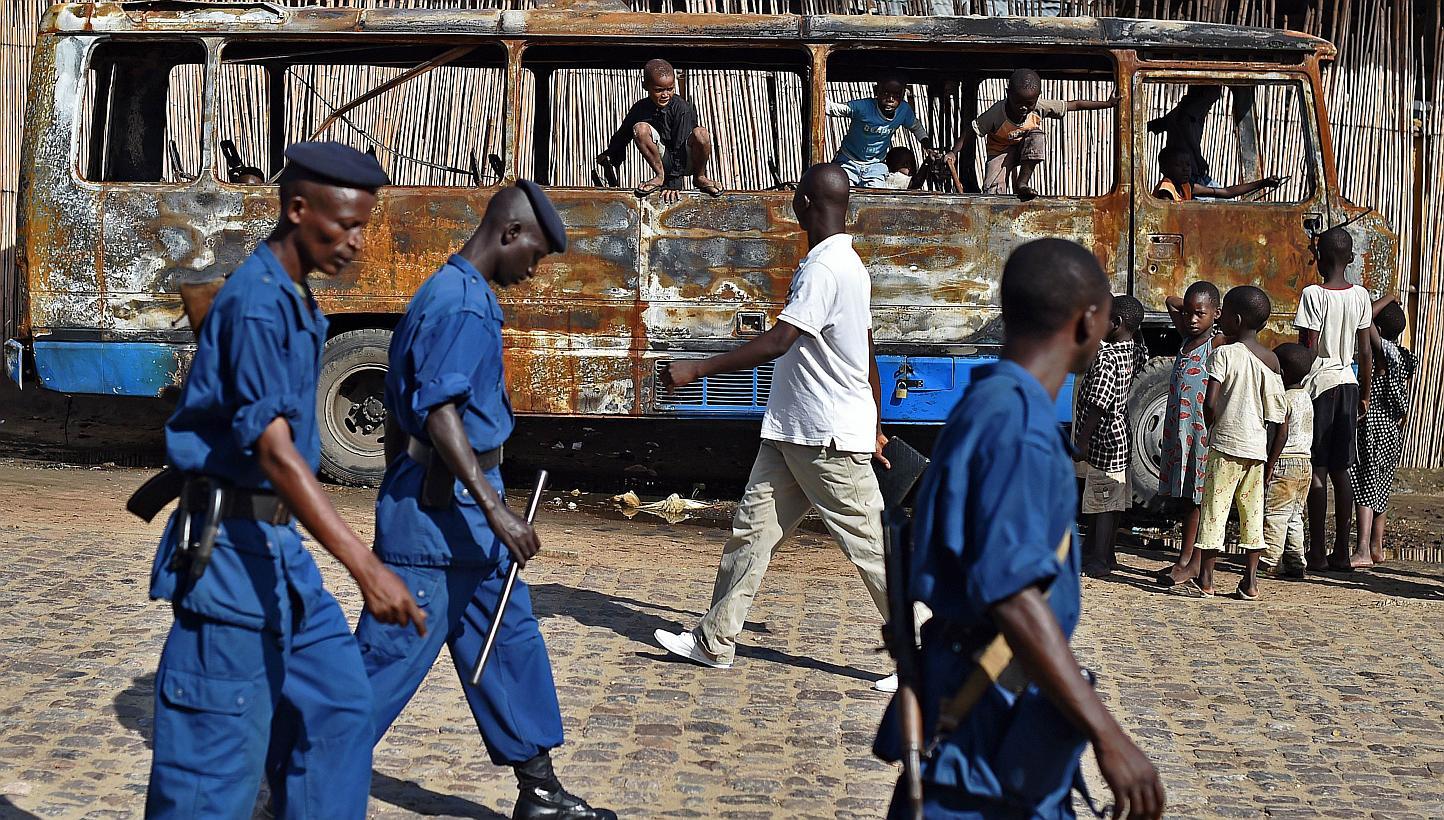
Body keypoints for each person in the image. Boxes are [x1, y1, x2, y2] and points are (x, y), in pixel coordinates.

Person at [145, 142, 427, 817]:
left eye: (365, 225)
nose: (357, 243)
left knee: (340, 708)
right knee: (210, 779)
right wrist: (365, 566)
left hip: (280, 557)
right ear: (298, 209)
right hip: (229, 563)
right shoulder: (259, 303)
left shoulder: (294, 301)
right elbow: (275, 452)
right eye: (345, 225)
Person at [874, 238, 1164, 819]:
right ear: (1089, 321)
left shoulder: (989, 402)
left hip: (992, 713)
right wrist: (1109, 736)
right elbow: (1011, 595)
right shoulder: (1020, 427)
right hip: (984, 732)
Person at [354, 181, 614, 820]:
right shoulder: (462, 307)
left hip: (461, 514)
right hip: (442, 526)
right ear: (508, 234)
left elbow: (404, 408)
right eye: (535, 255)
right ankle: (294, 782)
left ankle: (541, 791)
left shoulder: (453, 292)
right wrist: (494, 510)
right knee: (383, 665)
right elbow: (438, 412)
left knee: (508, 642)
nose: (533, 272)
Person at [651, 163, 896, 692]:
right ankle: (714, 640)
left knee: (875, 550)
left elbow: (779, 341)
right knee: (750, 535)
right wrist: (876, 420)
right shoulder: (848, 265)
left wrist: (697, 368)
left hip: (825, 434)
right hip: (795, 429)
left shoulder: (827, 269)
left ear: (804, 203)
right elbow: (867, 350)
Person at [1183, 286, 1286, 600]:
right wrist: (1270, 459)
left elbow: (1210, 401)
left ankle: (1207, 580)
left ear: (1236, 319)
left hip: (1225, 447)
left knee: (1215, 510)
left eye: (1223, 312)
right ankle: (1250, 582)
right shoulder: (1271, 361)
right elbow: (1279, 415)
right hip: (1255, 451)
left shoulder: (1224, 353)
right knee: (1251, 514)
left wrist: (1212, 425)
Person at [1294, 226, 1373, 571]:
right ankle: (1342, 550)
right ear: (1351, 259)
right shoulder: (1361, 296)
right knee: (1343, 471)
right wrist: (1365, 396)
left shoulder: (1314, 294)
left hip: (1320, 386)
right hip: (1349, 384)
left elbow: (1307, 348)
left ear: (1319, 260)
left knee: (1318, 470)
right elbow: (1366, 352)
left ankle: (1316, 551)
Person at [1072, 294, 1147, 577]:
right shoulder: (1133, 351)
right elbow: (1142, 349)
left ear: (1115, 324)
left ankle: (1099, 559)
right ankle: (1104, 553)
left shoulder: (1106, 358)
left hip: (1104, 439)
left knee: (1103, 501)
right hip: (1121, 437)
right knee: (1113, 501)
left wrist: (1082, 440)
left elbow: (1098, 403)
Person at [1156, 281, 1224, 588]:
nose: (1192, 319)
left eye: (1200, 314)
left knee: (1196, 500)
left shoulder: (1217, 343)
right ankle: (1186, 560)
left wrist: (1214, 319)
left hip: (1200, 437)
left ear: (1216, 315)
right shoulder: (1186, 338)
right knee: (1186, 499)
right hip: (1180, 435)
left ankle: (1189, 561)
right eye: (1189, 313)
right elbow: (1172, 302)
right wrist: (1187, 309)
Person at [967, 68, 1118, 200]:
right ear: (1008, 94)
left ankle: (1022, 183)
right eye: (1019, 103)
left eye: (1029, 104)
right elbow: (973, 129)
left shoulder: (1040, 107)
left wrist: (1107, 104)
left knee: (1037, 136)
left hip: (1024, 150)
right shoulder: (996, 112)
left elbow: (1075, 104)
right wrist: (954, 153)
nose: (1024, 108)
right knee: (992, 193)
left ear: (1037, 98)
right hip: (999, 152)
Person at [1348, 296, 1416, 567]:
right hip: (1392, 430)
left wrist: (1387, 297)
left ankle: (1362, 548)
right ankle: (1377, 546)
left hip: (1372, 428)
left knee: (1365, 484)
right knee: (1381, 487)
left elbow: (1362, 317)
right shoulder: (1407, 357)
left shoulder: (1384, 351)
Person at [597, 58, 720, 200]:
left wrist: (673, 184)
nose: (665, 95)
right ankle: (660, 176)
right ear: (646, 87)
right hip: (664, 161)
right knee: (640, 129)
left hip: (686, 159)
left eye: (670, 89)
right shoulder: (640, 108)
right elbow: (623, 134)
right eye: (659, 90)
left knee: (701, 133)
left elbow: (679, 146)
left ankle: (700, 176)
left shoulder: (682, 108)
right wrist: (611, 155)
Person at [1260, 343, 1317, 579]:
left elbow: (1281, 434)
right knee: (1295, 516)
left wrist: (1270, 463)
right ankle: (1296, 561)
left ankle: (1269, 561)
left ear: (1281, 372)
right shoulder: (1306, 398)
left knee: (1275, 514)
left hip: (1285, 462)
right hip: (1305, 463)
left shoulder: (1284, 399)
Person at [827, 76, 937, 188]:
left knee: (876, 195)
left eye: (896, 95)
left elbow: (916, 128)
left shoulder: (903, 111)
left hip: (875, 165)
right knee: (841, 191)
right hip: (848, 160)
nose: (890, 99)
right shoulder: (863, 107)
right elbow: (833, 108)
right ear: (876, 92)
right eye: (885, 93)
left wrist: (928, 148)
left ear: (902, 94)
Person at [1147, 85, 1222, 187]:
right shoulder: (1190, 112)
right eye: (1211, 99)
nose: (1213, 101)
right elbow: (1183, 125)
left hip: (1191, 172)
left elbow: (1159, 124)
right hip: (1189, 174)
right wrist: (1198, 158)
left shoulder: (1181, 111)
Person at [1152, 143, 1283, 202]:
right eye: (1178, 165)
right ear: (1164, 169)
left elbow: (1226, 192)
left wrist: (1262, 183)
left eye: (1187, 164)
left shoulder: (1187, 187)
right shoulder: (1166, 189)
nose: (1185, 169)